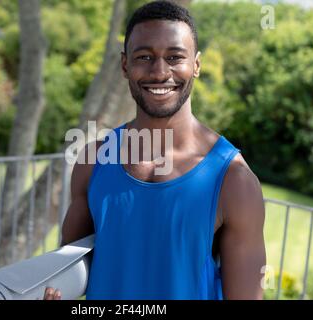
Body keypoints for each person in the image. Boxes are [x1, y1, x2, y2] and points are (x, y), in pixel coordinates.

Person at [44, 0, 266, 300]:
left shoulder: (233, 180)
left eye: (175, 57)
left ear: (196, 65)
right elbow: (70, 273)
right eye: (144, 57)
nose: (160, 72)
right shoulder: (94, 160)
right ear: (125, 65)